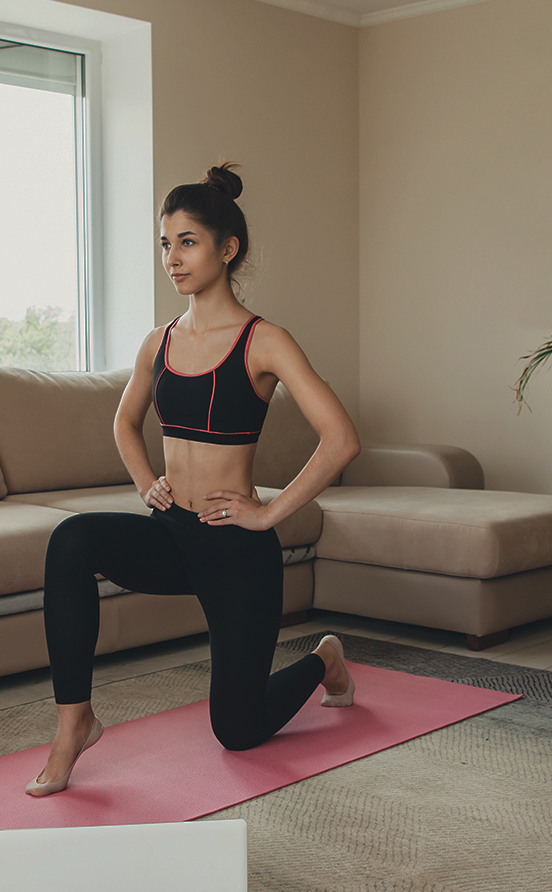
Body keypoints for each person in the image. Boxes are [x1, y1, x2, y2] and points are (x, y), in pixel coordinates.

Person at [29, 163, 362, 796]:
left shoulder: (265, 342)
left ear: (226, 248)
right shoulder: (159, 342)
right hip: (173, 535)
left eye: (187, 242)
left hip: (237, 550)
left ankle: (325, 660)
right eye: (165, 243)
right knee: (70, 541)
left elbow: (341, 438)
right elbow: (125, 425)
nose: (172, 258)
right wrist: (145, 482)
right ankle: (75, 722)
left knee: (238, 730)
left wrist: (269, 514)